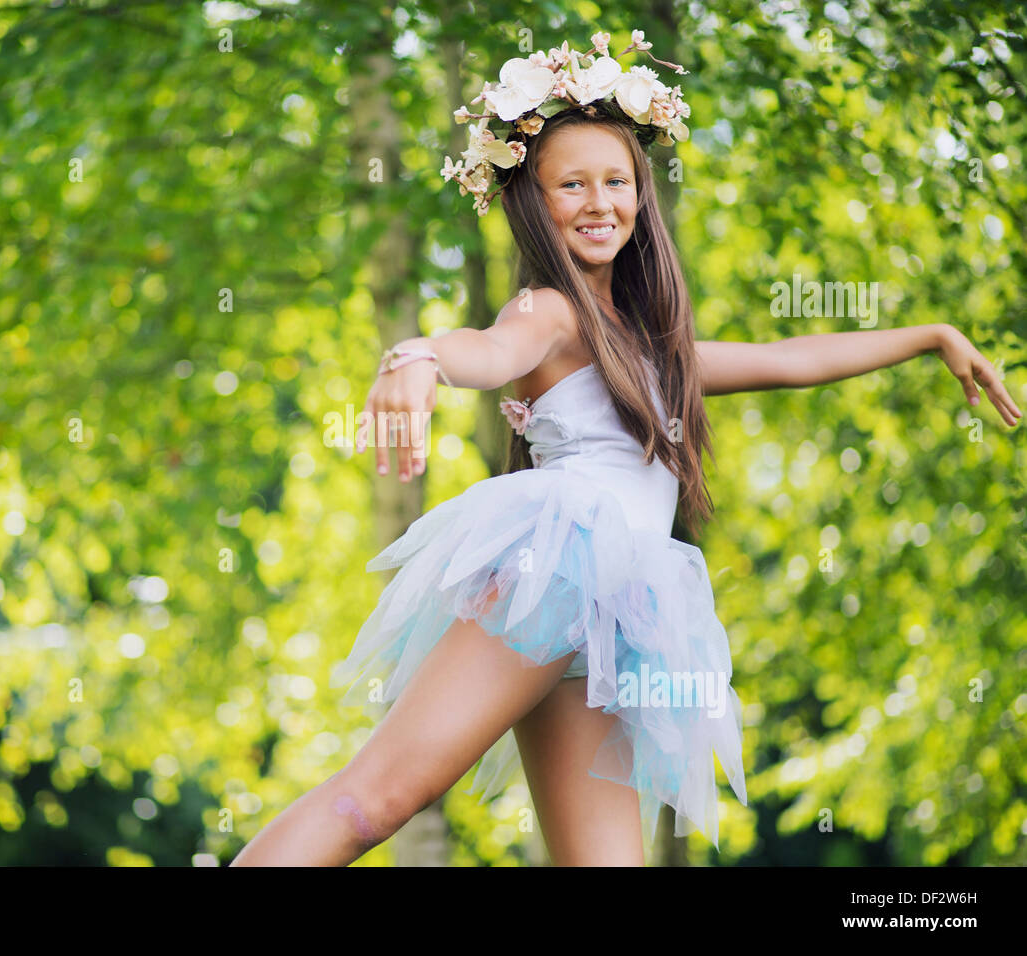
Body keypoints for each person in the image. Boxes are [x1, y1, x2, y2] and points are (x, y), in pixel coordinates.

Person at [229, 31, 1020, 867]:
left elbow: (792, 362)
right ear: (534, 203)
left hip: (620, 604)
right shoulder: (549, 312)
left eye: (617, 181)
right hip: (557, 563)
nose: (599, 202)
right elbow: (487, 351)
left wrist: (933, 334)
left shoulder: (647, 347)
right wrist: (419, 355)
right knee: (378, 797)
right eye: (571, 184)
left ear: (643, 195)